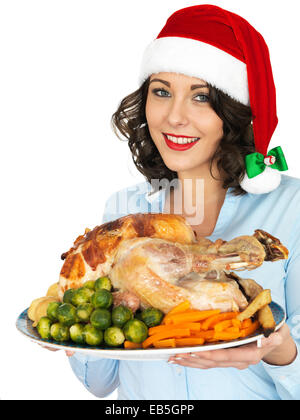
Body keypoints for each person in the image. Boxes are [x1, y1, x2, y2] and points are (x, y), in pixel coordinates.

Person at [64, 5, 300, 399]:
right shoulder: (123, 213)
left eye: (201, 97)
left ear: (234, 110)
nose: (174, 117)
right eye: (161, 92)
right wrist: (79, 299)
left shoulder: (291, 207)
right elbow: (99, 384)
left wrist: (280, 352)